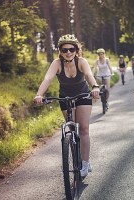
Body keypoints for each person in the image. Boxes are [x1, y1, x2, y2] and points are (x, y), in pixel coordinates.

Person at [34, 34, 100, 177]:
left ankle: (85, 162)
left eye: (71, 49)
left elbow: (88, 75)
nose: (68, 52)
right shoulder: (56, 64)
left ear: (76, 49)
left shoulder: (81, 61)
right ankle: (73, 148)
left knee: (83, 129)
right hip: (65, 97)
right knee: (71, 126)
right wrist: (39, 94)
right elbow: (48, 78)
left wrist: (94, 86)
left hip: (82, 95)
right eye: (64, 50)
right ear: (60, 51)